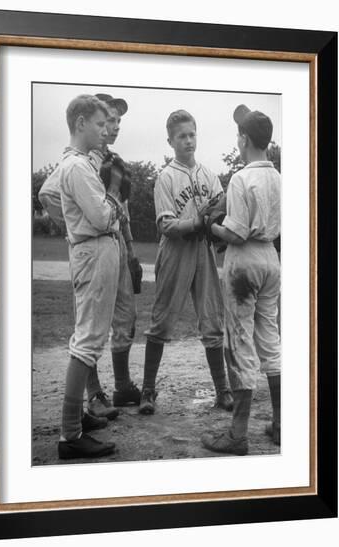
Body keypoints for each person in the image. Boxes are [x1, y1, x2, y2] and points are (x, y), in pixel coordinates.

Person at [138, 110, 233, 415]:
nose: (188, 140)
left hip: (202, 251)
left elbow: (221, 210)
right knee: (162, 320)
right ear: (170, 141)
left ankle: (222, 391)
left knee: (213, 319)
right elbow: (166, 225)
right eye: (182, 136)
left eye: (192, 134)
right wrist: (199, 219)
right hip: (175, 251)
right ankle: (148, 391)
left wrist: (213, 219)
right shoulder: (165, 177)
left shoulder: (208, 174)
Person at [201, 104, 281, 456]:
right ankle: (280, 424)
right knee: (270, 339)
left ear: (244, 139)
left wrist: (210, 225)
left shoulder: (241, 177)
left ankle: (237, 434)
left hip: (244, 261)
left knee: (240, 343)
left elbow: (234, 233)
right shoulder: (279, 177)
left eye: (238, 134)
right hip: (270, 258)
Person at [55, 94, 125, 459]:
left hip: (95, 248)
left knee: (87, 335)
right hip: (94, 247)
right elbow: (101, 218)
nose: (104, 130)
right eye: (99, 124)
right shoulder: (79, 167)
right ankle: (70, 436)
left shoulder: (78, 163)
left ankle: (76, 419)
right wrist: (113, 191)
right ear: (80, 123)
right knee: (88, 340)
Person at [84, 93, 141, 420]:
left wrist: (131, 248)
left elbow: (124, 210)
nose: (115, 126)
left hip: (118, 241)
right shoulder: (82, 160)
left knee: (125, 314)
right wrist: (77, 232)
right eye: (108, 120)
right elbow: (51, 195)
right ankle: (93, 394)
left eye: (119, 121)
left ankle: (122, 385)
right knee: (92, 320)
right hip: (94, 242)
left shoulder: (116, 163)